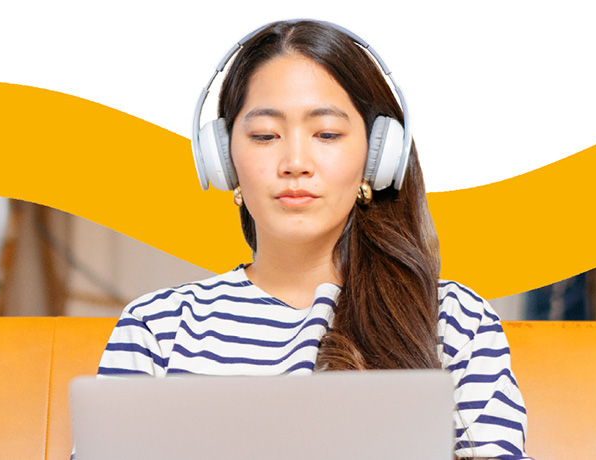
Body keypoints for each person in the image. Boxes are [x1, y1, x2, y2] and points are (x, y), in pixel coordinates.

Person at [94, 20, 532, 459]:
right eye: (265, 136)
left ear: (377, 157)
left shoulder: (455, 321)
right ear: (223, 159)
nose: (295, 162)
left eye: (326, 134)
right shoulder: (158, 327)